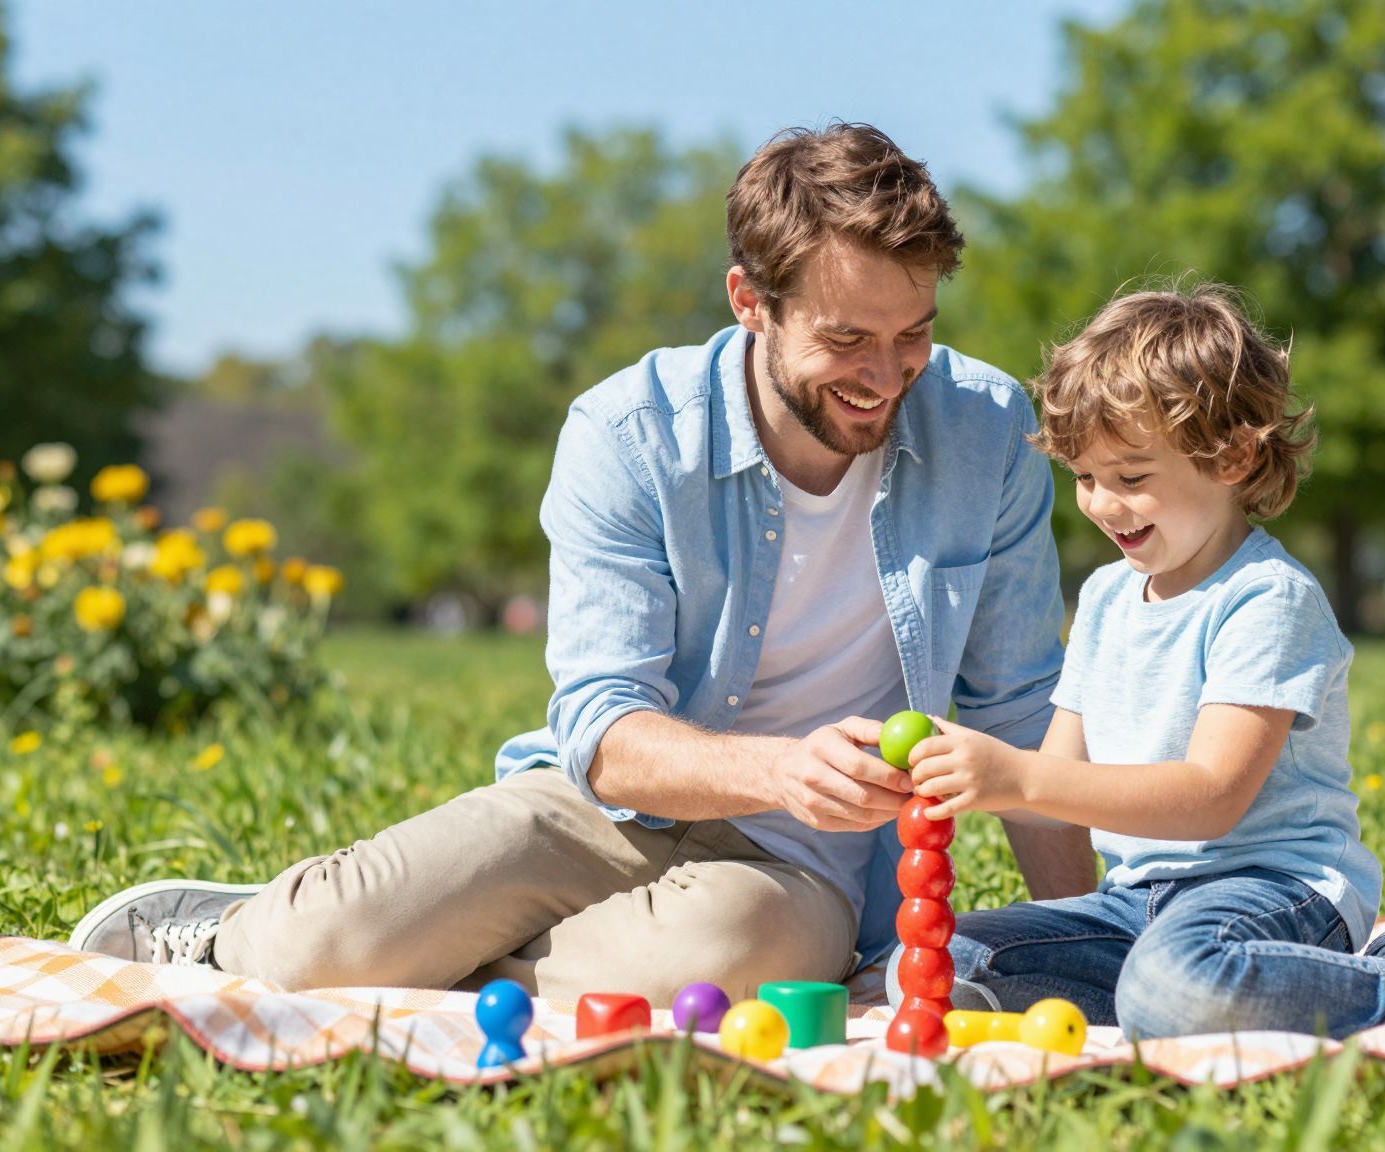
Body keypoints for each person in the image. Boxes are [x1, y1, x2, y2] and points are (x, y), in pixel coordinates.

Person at [68, 123, 1093, 1002]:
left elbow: (1018, 709)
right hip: (597, 811)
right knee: (307, 949)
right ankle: (257, 934)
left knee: (720, 961)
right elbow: (603, 731)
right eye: (846, 339)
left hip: (796, 871)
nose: (884, 376)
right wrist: (781, 766)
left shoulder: (983, 431)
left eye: (911, 334)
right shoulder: (628, 433)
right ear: (749, 300)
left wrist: (1089, 940)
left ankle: (415, 962)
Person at [887, 283, 1385, 1037]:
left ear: (1232, 455)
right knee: (933, 960)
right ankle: (1178, 1005)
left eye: (1131, 478)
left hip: (1276, 891)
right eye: (1084, 477)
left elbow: (1212, 796)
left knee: (1175, 982)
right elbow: (1060, 779)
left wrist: (1016, 775)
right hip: (1140, 901)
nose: (1101, 504)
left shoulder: (1265, 599)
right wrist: (951, 772)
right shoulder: (1108, 599)